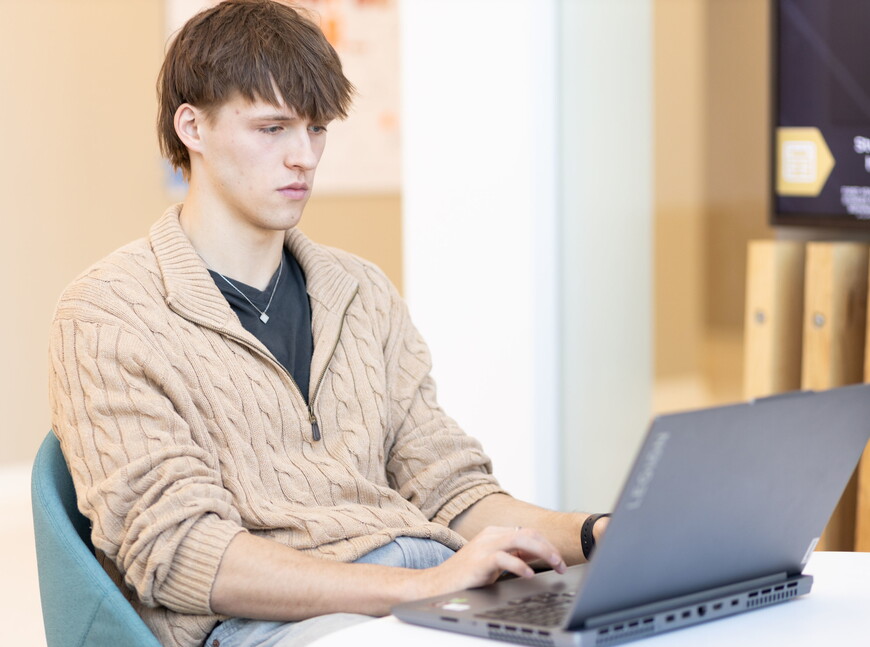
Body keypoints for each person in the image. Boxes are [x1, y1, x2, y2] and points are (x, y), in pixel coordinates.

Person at [47, 2, 609, 646]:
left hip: (427, 585)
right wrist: (422, 587)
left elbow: (449, 489)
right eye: (273, 128)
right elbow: (179, 553)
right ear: (192, 127)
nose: (304, 157)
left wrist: (595, 534)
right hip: (273, 622)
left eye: (316, 129)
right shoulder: (108, 314)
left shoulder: (362, 290)